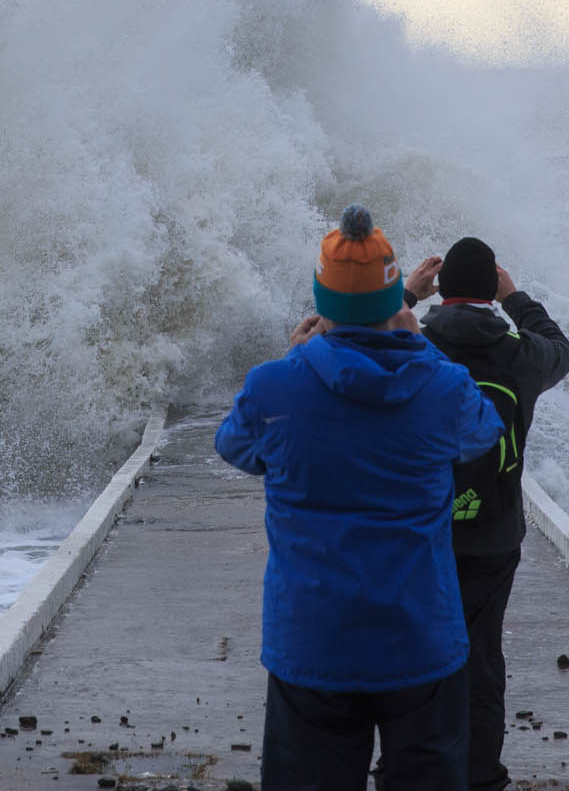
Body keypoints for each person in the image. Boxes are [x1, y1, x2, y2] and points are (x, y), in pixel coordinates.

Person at [216, 205, 502, 791]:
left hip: (313, 640)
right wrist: (420, 343)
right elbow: (482, 431)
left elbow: (236, 448)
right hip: (419, 637)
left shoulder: (277, 384)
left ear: (322, 301)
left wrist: (296, 356)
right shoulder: (440, 383)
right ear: (395, 299)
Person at [401, 238, 569, 791]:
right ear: (491, 293)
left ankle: (412, 769)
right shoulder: (519, 355)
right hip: (493, 537)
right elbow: (562, 348)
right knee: (481, 658)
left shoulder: (413, 349)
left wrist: (405, 293)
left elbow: (346, 347)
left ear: (443, 290)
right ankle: (481, 777)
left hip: (419, 534)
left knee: (413, 650)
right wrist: (516, 296)